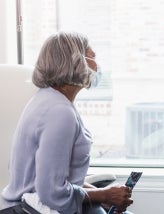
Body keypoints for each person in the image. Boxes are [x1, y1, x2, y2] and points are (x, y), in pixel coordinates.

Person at [1, 32, 133, 214]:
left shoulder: (50, 100)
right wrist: (103, 195)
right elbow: (52, 192)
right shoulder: (59, 112)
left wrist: (104, 195)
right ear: (76, 61)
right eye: (93, 57)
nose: (97, 65)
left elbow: (60, 178)